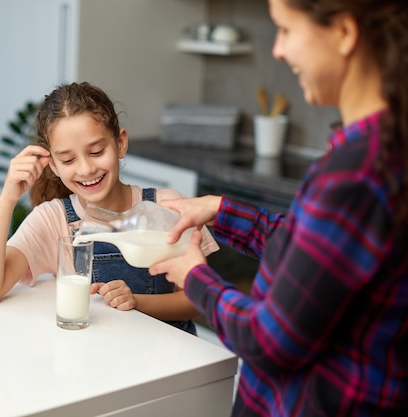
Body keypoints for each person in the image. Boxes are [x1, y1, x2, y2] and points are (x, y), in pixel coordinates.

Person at [149, 0, 408, 415]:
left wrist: (194, 276)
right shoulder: (381, 151)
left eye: (286, 30)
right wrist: (220, 209)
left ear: (344, 33)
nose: (278, 51)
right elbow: (313, 256)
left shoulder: (355, 173)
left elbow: (269, 340)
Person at [0, 82, 219, 335]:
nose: (86, 169)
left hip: (172, 358)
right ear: (53, 166)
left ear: (120, 143)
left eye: (96, 151)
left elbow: (196, 299)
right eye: (68, 160)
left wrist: (137, 302)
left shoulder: (166, 207)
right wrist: (7, 199)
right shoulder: (54, 220)